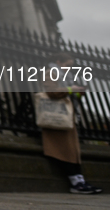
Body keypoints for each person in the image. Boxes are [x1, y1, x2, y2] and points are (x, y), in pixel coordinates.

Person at [41, 52, 102, 194]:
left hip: (67, 115)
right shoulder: (50, 72)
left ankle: (79, 181)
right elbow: (52, 92)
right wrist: (70, 89)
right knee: (65, 150)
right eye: (67, 65)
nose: (69, 68)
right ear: (58, 61)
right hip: (56, 116)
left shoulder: (66, 76)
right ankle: (76, 182)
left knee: (72, 150)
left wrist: (79, 92)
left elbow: (67, 92)